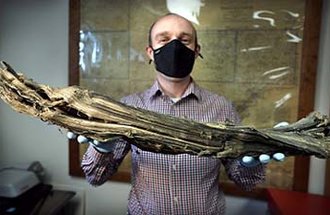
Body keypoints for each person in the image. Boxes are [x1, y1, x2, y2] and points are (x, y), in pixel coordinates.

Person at [68, 13, 285, 215]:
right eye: (164, 39)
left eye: (184, 40)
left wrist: (251, 164)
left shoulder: (221, 108)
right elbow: (95, 177)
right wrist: (101, 149)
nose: (174, 46)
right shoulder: (129, 107)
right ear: (150, 52)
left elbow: (246, 182)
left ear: (196, 49)